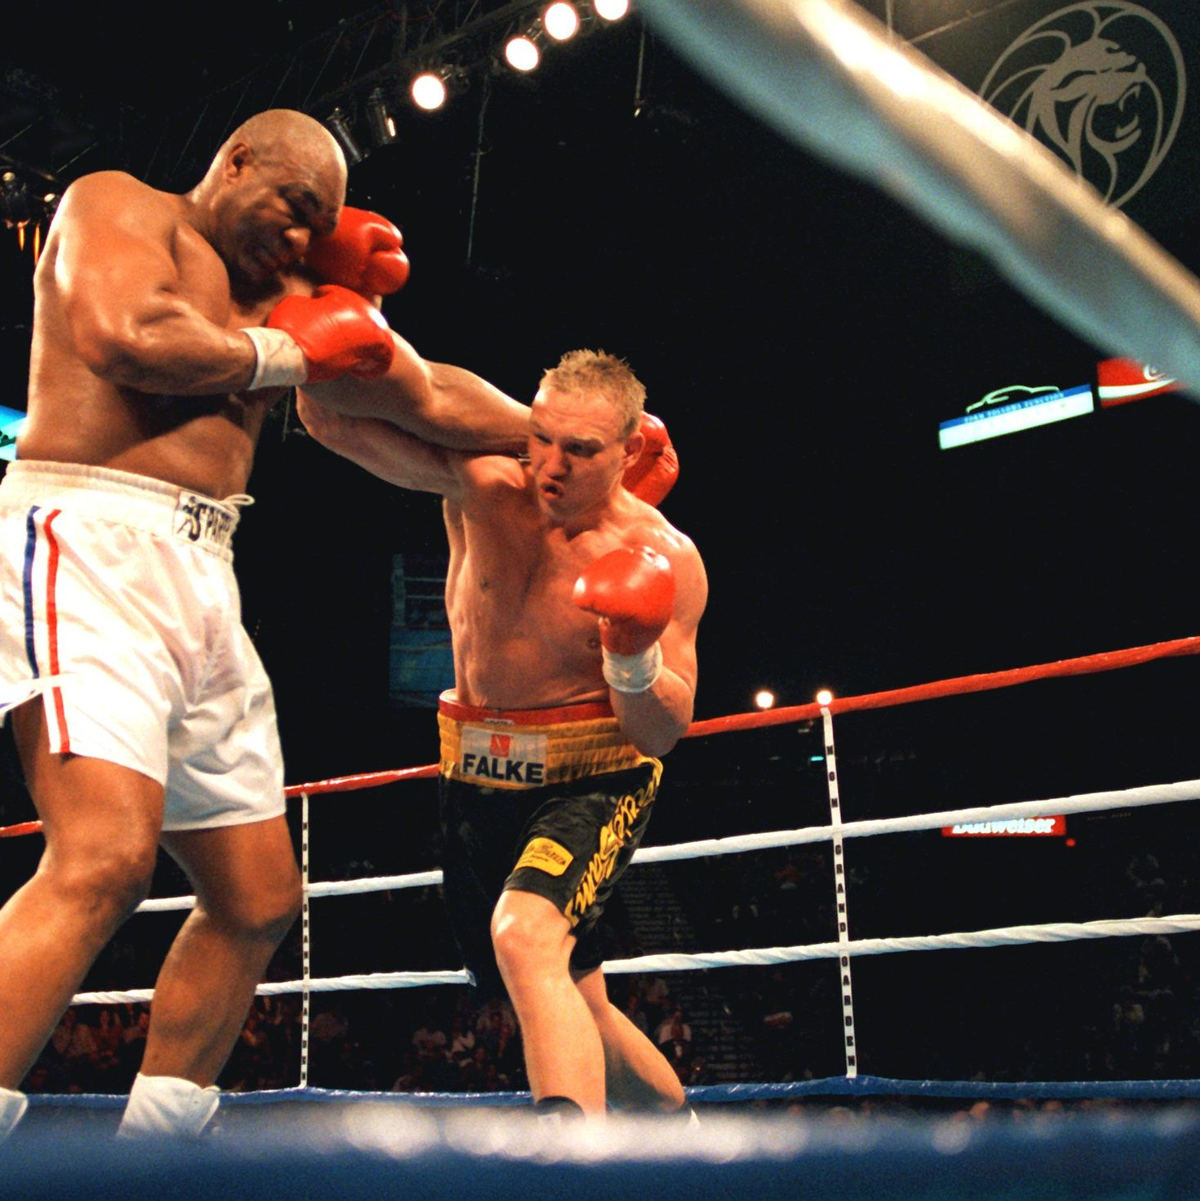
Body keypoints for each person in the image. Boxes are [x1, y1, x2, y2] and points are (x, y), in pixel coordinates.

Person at [0, 107, 531, 1142]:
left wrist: (564, 429)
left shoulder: (288, 295)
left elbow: (425, 397)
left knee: (255, 896)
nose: (298, 241)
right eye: (292, 209)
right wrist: (287, 355)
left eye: (316, 226)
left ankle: (152, 1158)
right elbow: (126, 337)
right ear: (236, 158)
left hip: (208, 567)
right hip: (85, 533)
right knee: (103, 859)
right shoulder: (117, 206)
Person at [297, 347, 707, 1118]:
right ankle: (679, 1129)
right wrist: (317, 328)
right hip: (474, 776)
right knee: (566, 996)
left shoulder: (663, 556)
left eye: (580, 450)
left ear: (627, 452)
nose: (551, 465)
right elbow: (326, 418)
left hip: (593, 774)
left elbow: (661, 732)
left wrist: (631, 657)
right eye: (542, 437)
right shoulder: (481, 480)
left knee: (524, 935)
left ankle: (566, 1169)